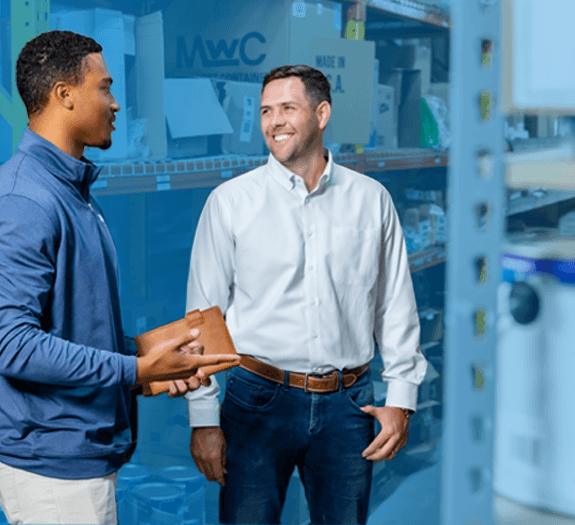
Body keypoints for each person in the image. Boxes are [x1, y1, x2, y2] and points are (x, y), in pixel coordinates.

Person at [0, 30, 240, 525]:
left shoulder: (69, 193)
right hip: (51, 464)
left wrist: (148, 358)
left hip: (74, 452)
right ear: (64, 95)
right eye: (106, 88)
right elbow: (10, 345)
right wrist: (135, 371)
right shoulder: (22, 203)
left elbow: (69, 328)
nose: (116, 104)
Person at [173, 64, 428, 525]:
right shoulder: (231, 202)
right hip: (256, 400)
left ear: (322, 113)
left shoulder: (370, 200)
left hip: (349, 403)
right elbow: (202, 319)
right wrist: (204, 419)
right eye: (266, 111)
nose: (274, 122)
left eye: (288, 108)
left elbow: (394, 305)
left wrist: (401, 398)